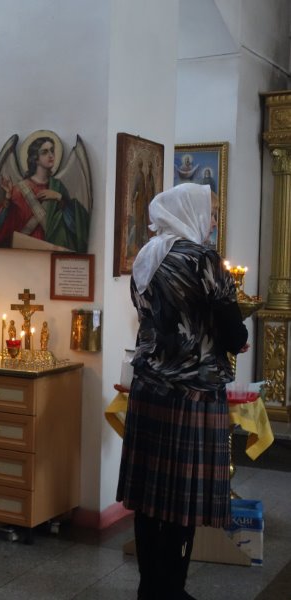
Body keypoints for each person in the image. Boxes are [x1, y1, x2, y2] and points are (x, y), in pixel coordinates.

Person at [116, 183, 249, 600]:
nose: (213, 221)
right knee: (181, 503)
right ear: (191, 212)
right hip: (192, 394)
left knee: (149, 498)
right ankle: (171, 590)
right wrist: (237, 340)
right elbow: (233, 332)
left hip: (148, 390)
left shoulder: (146, 256)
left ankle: (150, 588)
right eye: (211, 212)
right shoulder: (202, 259)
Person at [0, 135, 89, 252]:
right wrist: (8, 196)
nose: (51, 155)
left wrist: (58, 197)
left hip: (51, 254)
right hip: (22, 254)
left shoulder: (58, 187)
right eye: (45, 152)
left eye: (52, 150)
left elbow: (76, 226)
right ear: (35, 158)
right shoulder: (18, 190)